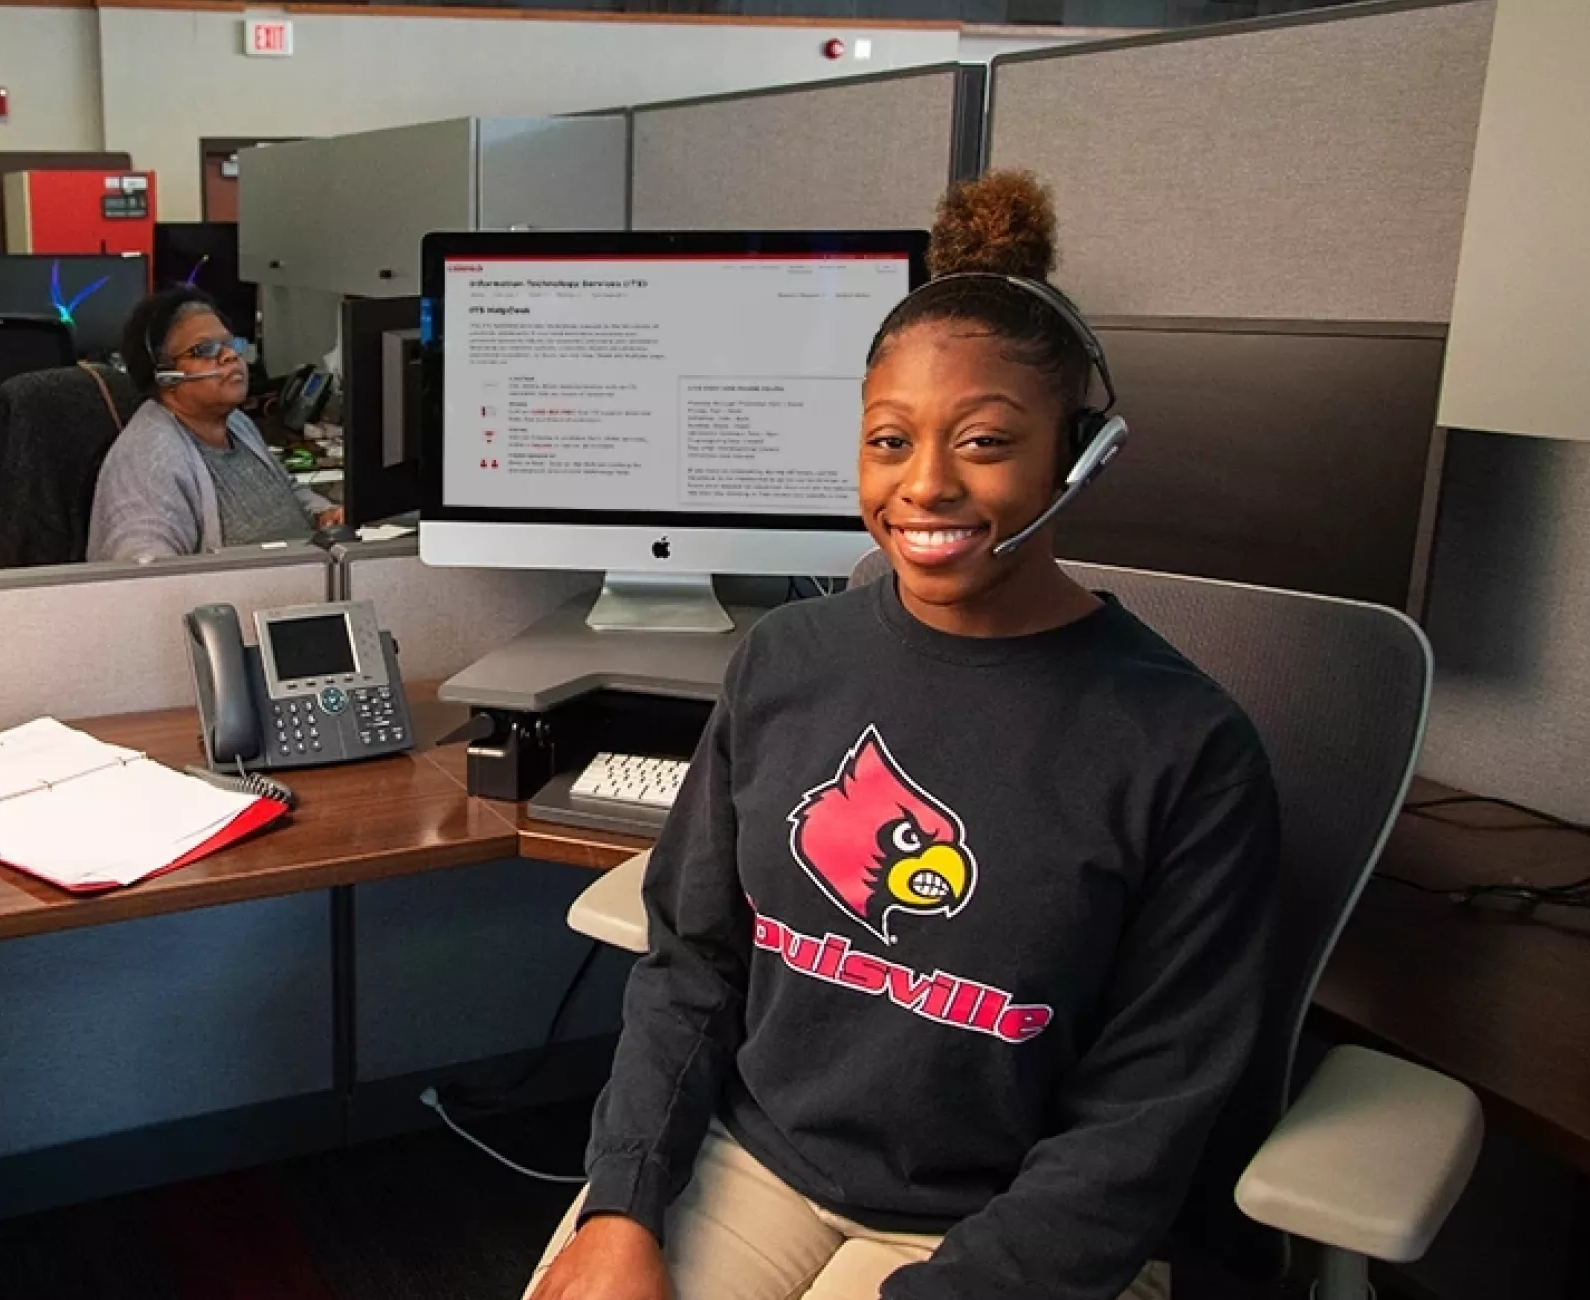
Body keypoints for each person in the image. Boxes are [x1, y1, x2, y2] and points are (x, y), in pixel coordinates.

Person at [526, 171, 1280, 1300]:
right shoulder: (785, 659)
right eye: (888, 440)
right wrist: (623, 1201)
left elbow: (1142, 1117)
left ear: (1081, 453)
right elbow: (692, 963)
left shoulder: (1184, 748)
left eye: (982, 442)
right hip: (752, 1164)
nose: (923, 485)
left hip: (1007, 1224)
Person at [87, 288, 341, 561]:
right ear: (164, 375)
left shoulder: (236, 422)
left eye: (231, 345)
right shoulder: (148, 461)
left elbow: (285, 489)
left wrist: (322, 513)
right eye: (205, 350)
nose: (231, 356)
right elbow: (146, 575)